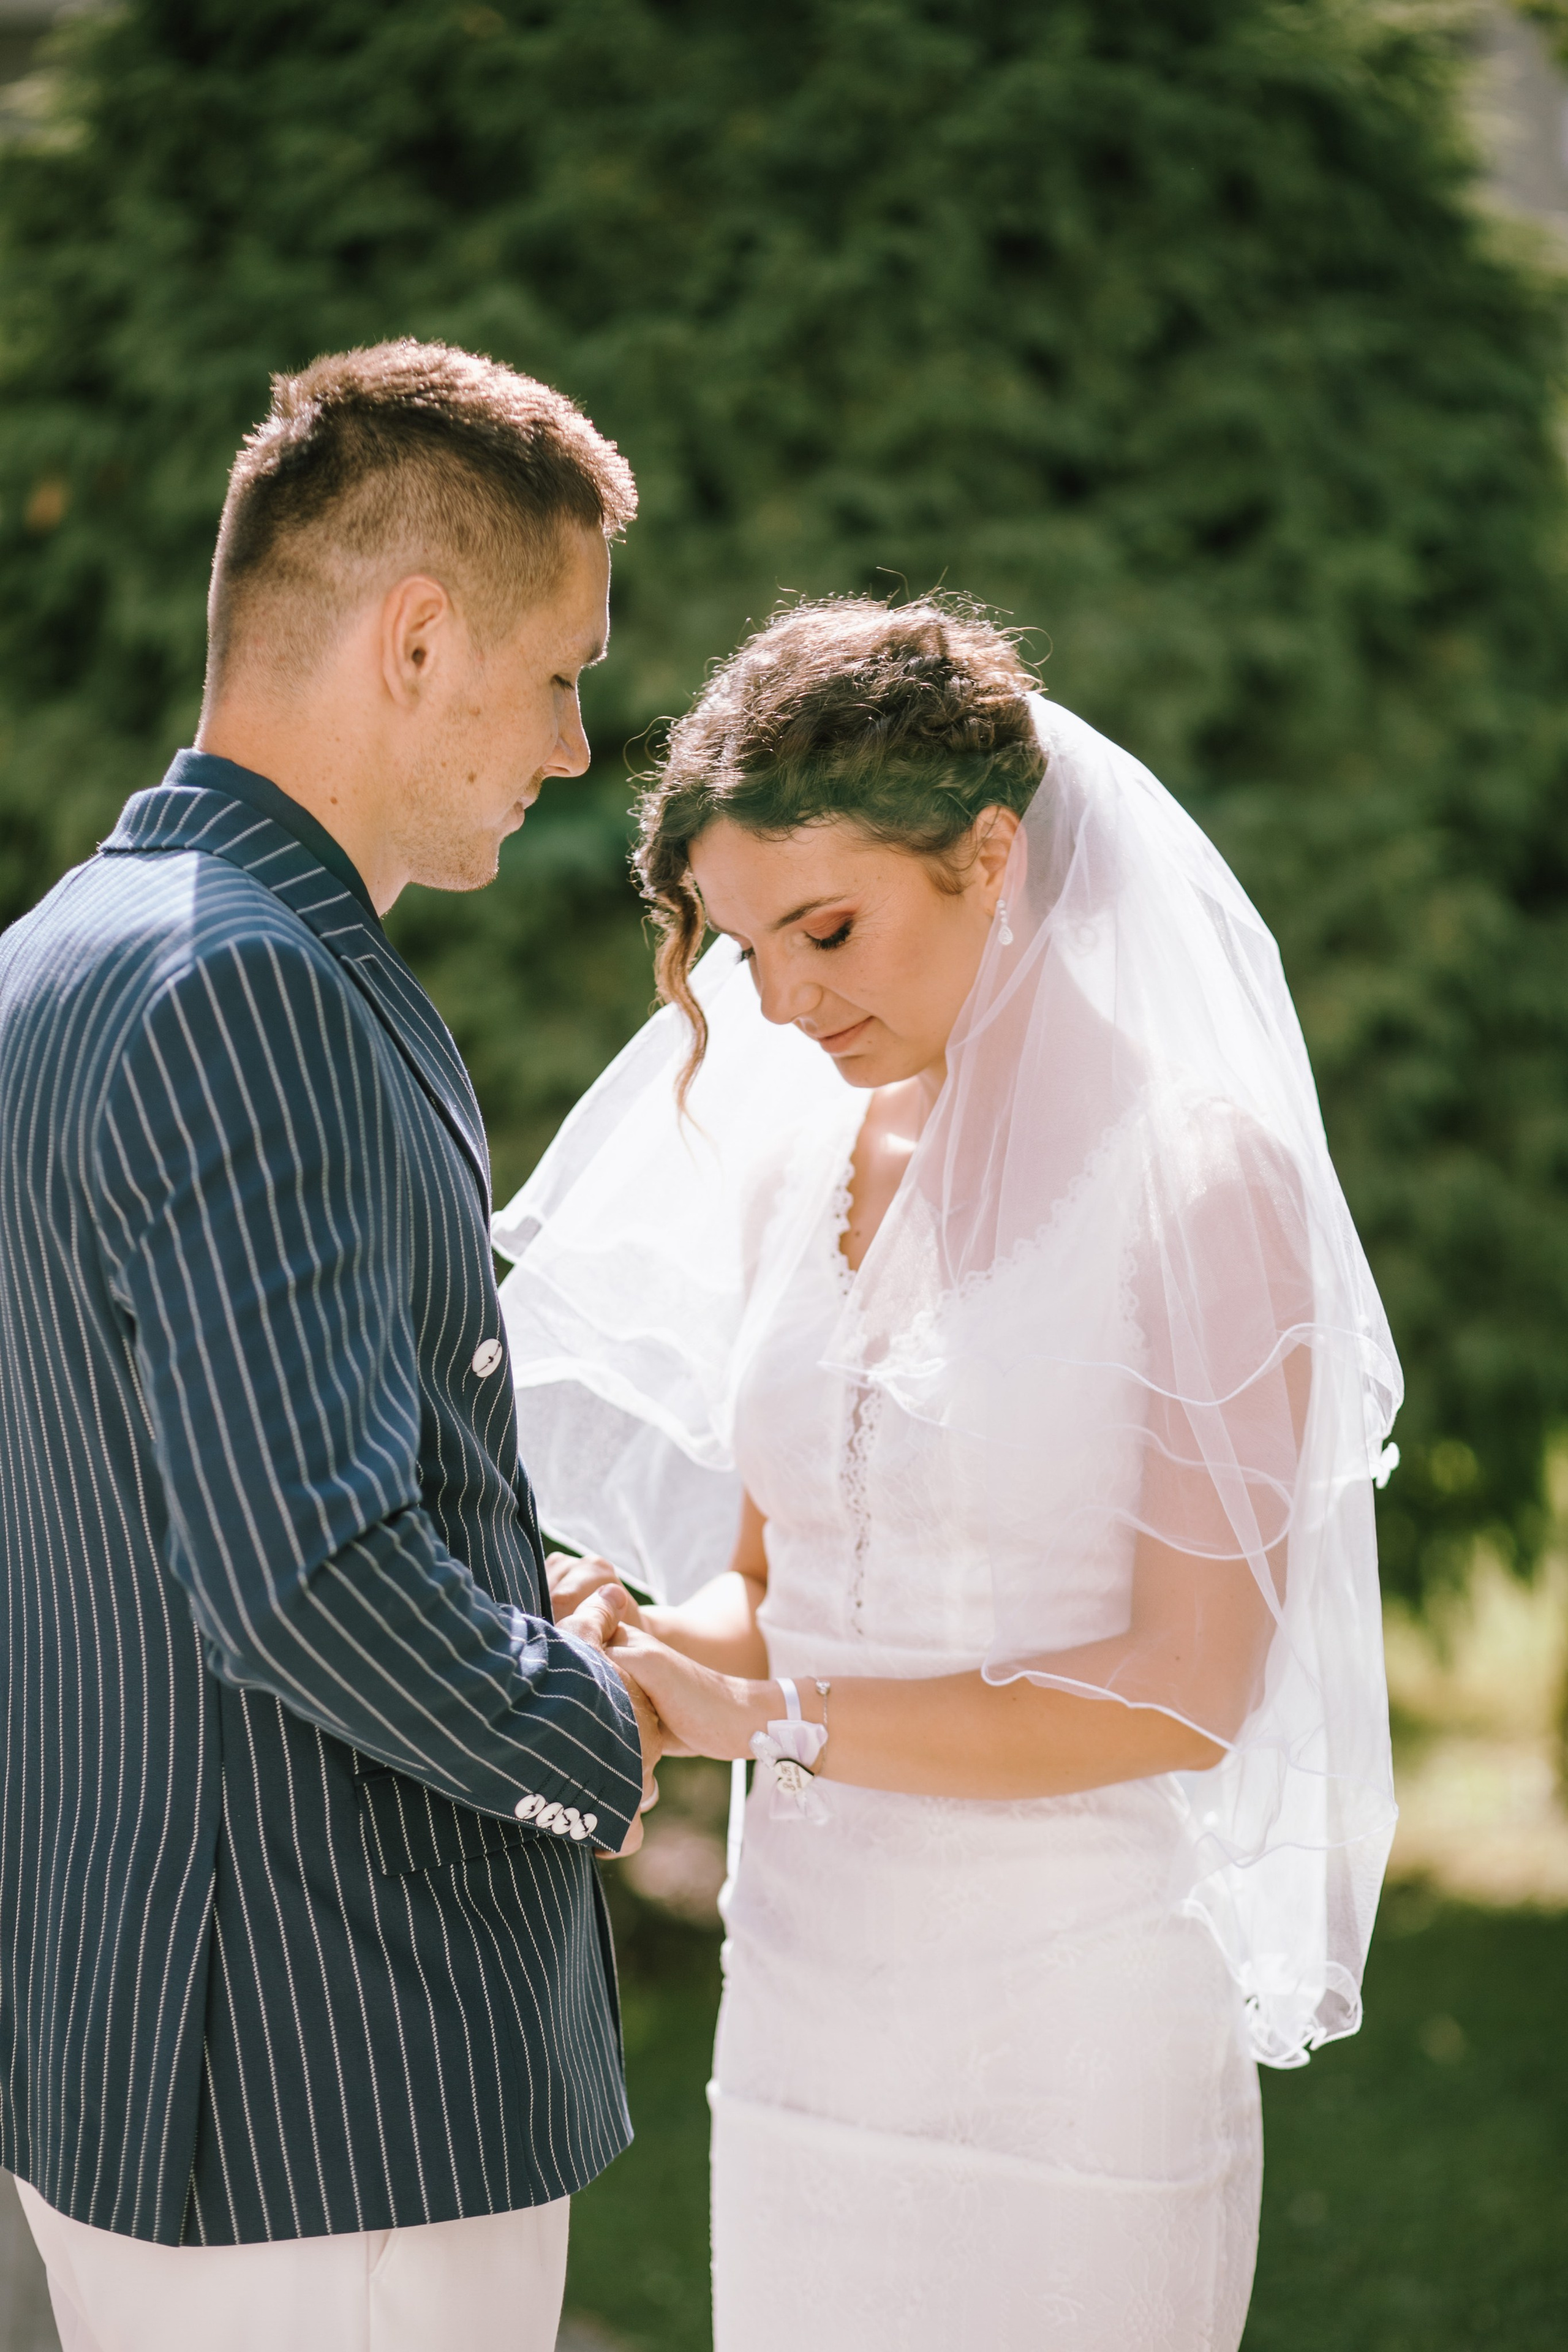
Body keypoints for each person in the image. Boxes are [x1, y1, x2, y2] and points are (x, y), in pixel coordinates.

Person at [494, 598, 1403, 2351]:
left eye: (827, 928)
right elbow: (779, 1587)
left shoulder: (1200, 1183)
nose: (785, 999)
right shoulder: (794, 1161)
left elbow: (1186, 1689)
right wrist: (647, 1655)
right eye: (745, 947)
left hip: (1069, 2023)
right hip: (805, 2004)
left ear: (990, 854)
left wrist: (772, 1722)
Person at [0, 339, 661, 2352]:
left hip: (144, 2057)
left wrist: (518, 1590)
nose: (574, 749)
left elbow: (160, 1491)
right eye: (559, 675)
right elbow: (305, 1573)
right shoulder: (251, 985)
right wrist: (602, 1728)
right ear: (418, 638)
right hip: (330, 2091)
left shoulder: (61, 953)